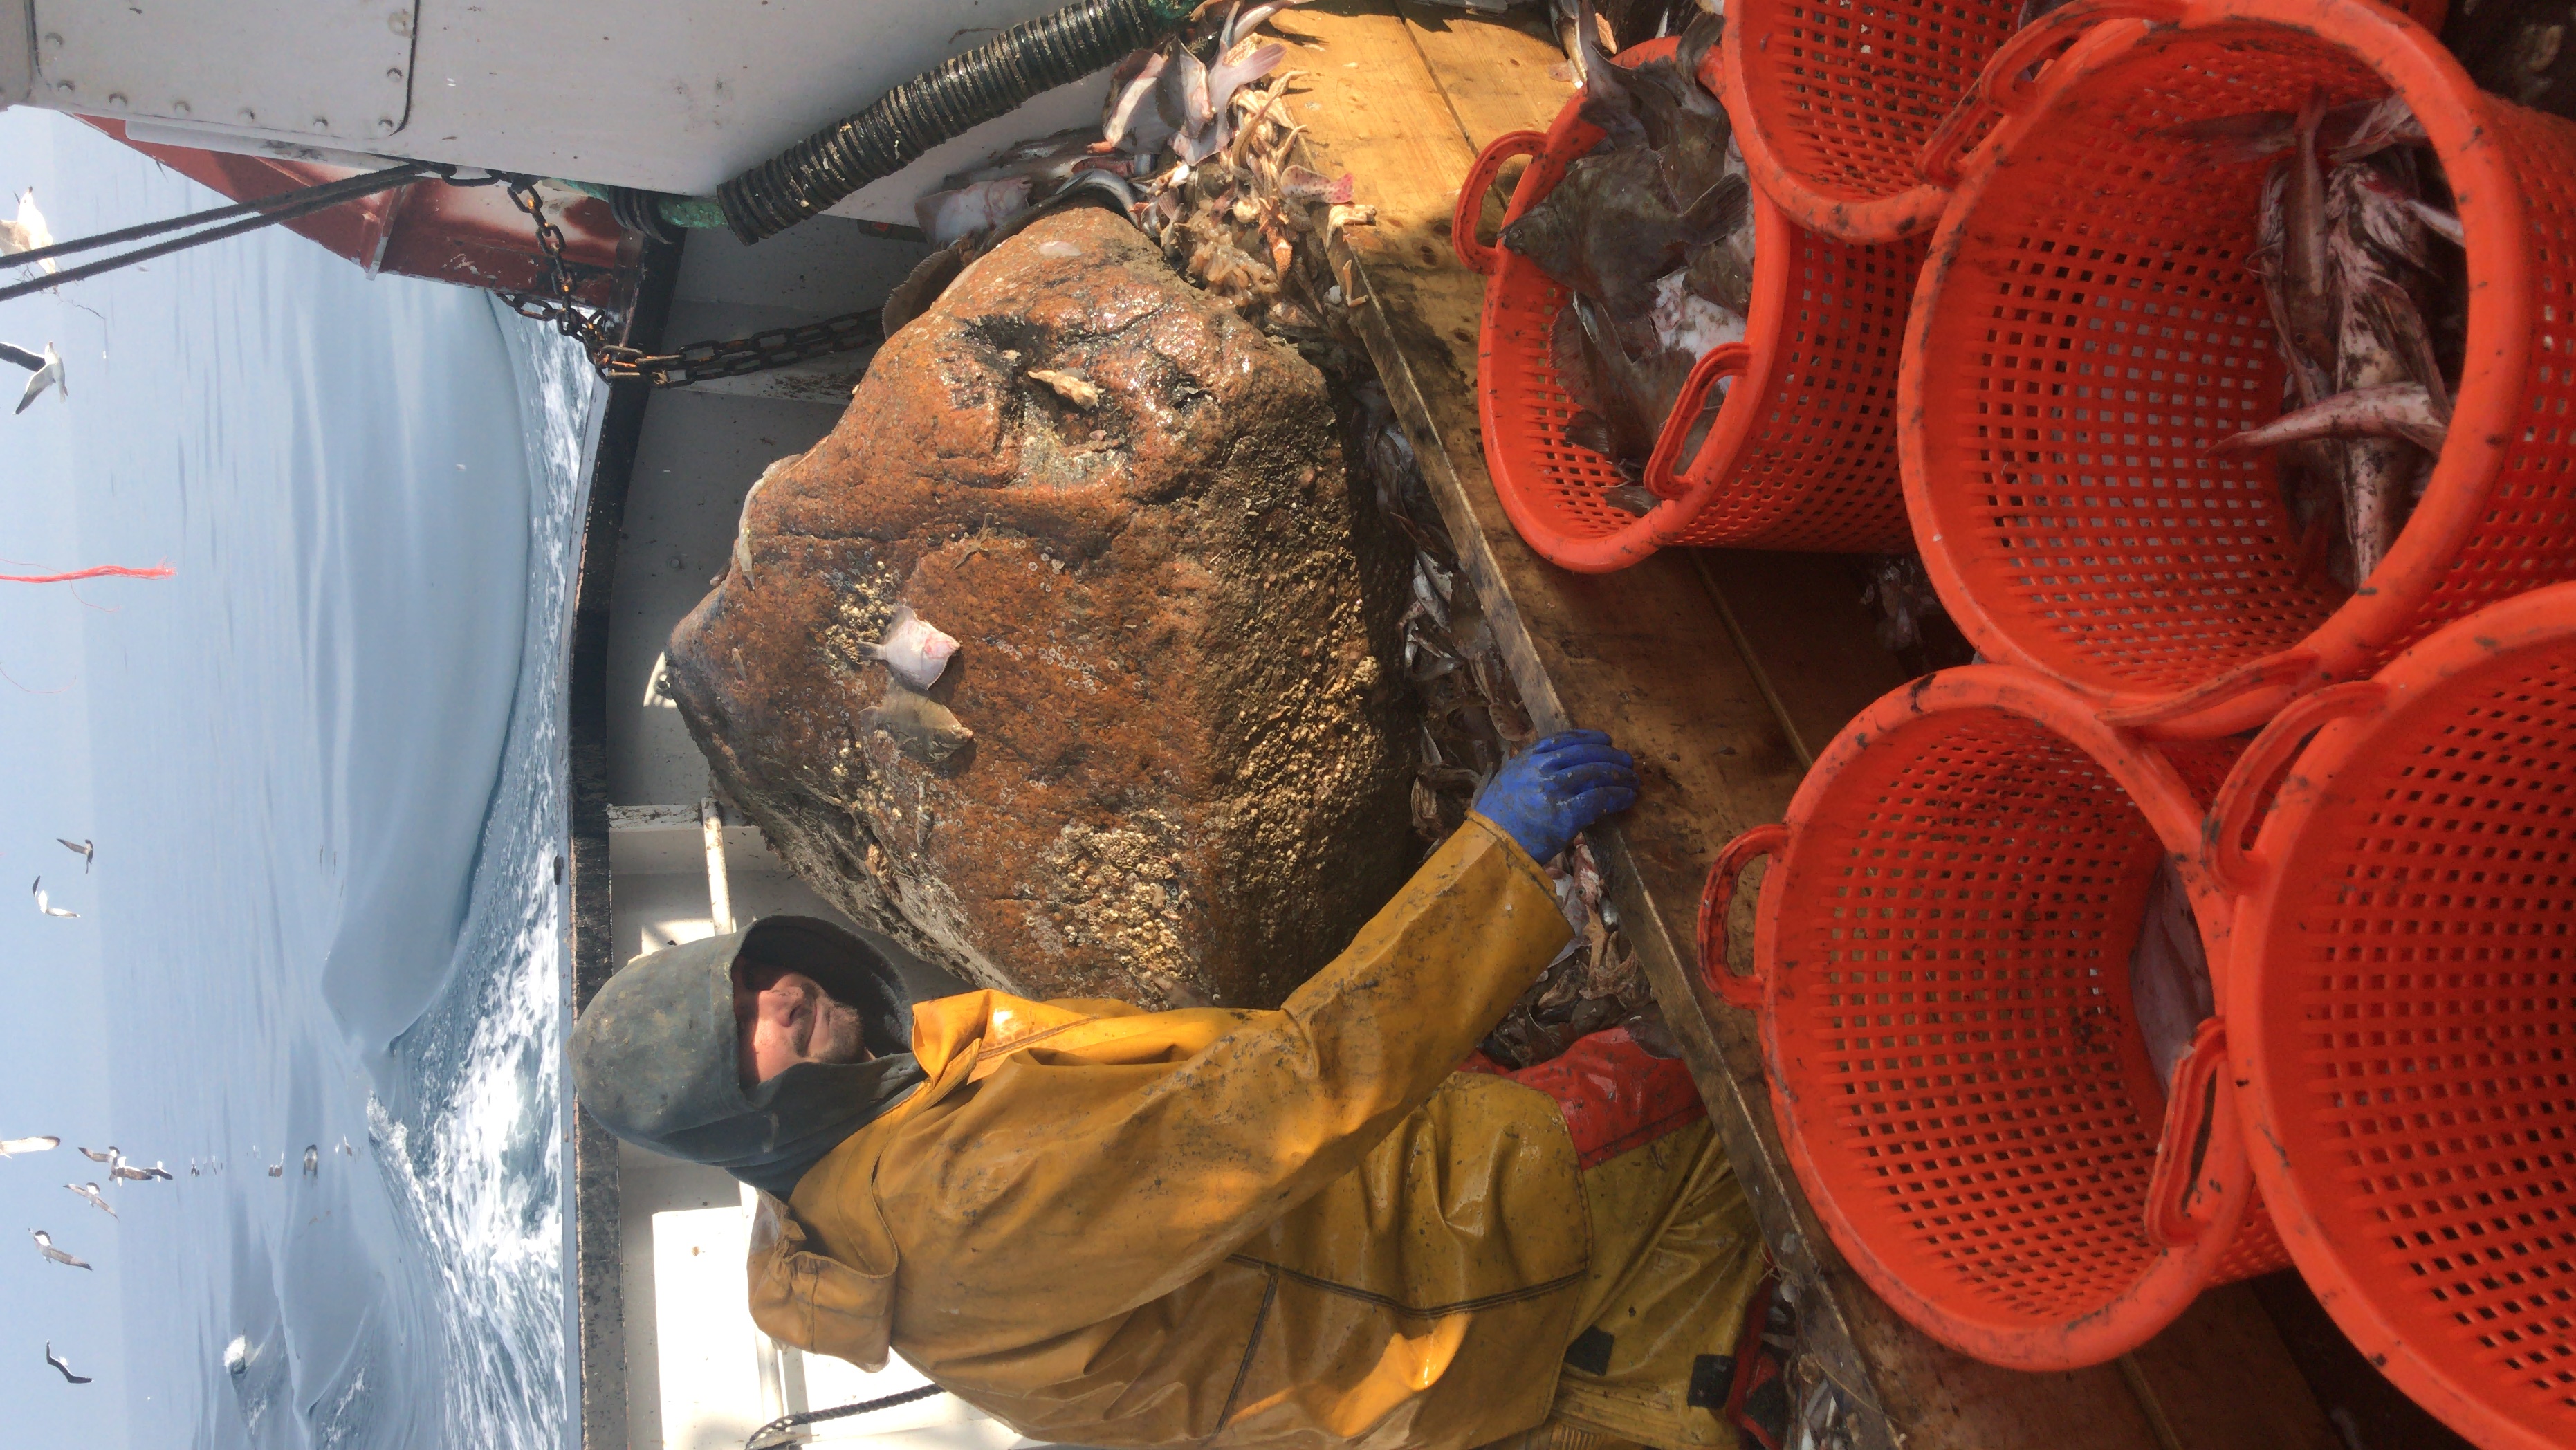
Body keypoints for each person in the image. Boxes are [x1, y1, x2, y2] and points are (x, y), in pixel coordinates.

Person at [572, 731, 1767, 1450]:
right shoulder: (957, 1202)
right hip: (1484, 1265)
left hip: (1406, 1316)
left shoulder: (858, 1177)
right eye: (744, 1032)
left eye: (752, 978)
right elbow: (1287, 1104)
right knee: (1747, 1086)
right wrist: (1496, 861)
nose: (779, 997)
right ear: (741, 1121)